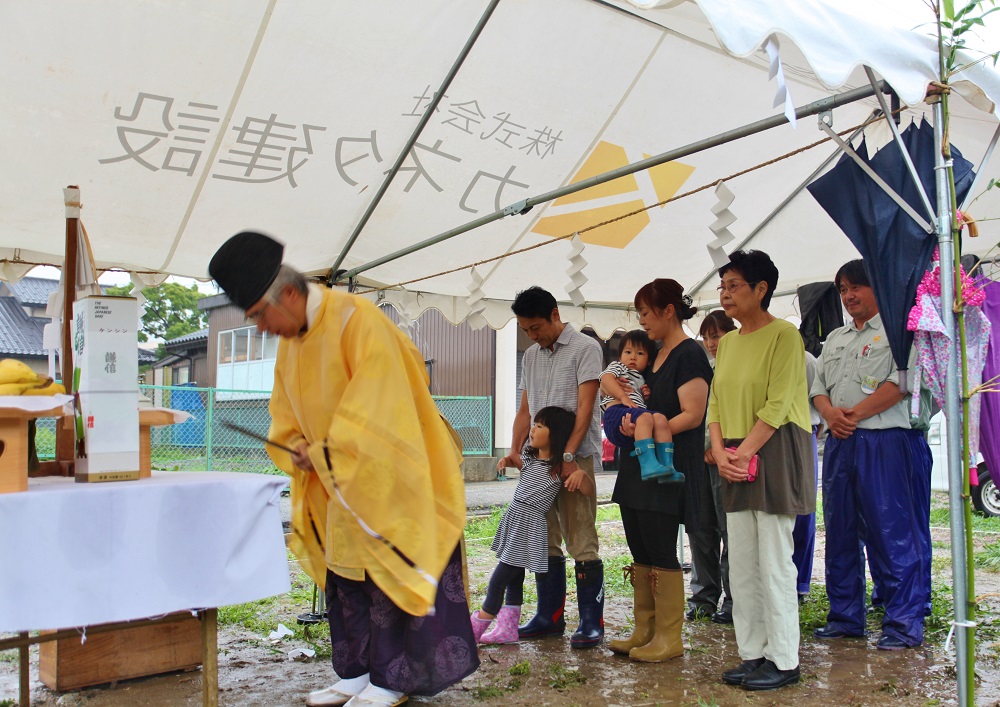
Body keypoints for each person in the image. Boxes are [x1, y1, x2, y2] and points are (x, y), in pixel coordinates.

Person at [208, 232, 479, 707]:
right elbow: (284, 411)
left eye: (258, 316)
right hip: (339, 481)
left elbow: (382, 403)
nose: (261, 329)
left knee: (386, 572)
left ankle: (393, 679)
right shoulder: (293, 337)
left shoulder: (359, 320)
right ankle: (356, 672)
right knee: (347, 577)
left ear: (287, 295)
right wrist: (296, 445)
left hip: (393, 475)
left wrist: (330, 448)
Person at [810, 259, 932, 650]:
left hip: (888, 441)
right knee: (841, 529)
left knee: (892, 532)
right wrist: (830, 414)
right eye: (843, 289)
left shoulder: (900, 330)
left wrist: (853, 416)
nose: (849, 296)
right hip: (842, 443)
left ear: (878, 287)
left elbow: (903, 383)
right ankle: (846, 617)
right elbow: (818, 387)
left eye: (856, 287)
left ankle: (903, 622)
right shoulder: (836, 338)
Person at [708, 250, 815, 691]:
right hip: (734, 452)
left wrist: (743, 453)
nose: (725, 294)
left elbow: (777, 403)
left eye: (734, 286)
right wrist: (719, 450)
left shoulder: (785, 336)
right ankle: (753, 653)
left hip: (772, 450)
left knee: (774, 560)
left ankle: (784, 658)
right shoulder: (728, 342)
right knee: (743, 563)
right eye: (723, 287)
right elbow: (715, 401)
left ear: (760, 290)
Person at [608, 279, 712, 663]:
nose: (643, 322)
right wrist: (631, 423)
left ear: (669, 311)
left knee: (660, 546)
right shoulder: (654, 355)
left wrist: (652, 425)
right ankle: (645, 628)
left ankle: (669, 636)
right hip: (637, 465)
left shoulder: (689, 354)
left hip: (667, 465)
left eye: (647, 314)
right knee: (639, 544)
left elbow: (694, 414)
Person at [497, 286, 605, 649]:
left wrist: (570, 457)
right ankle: (549, 617)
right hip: (538, 463)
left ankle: (592, 622)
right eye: (526, 330)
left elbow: (586, 407)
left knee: (581, 538)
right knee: (544, 539)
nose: (532, 336)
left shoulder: (586, 349)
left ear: (555, 314)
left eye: (536, 327)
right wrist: (515, 449)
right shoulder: (531, 357)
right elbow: (526, 410)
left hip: (575, 459)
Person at [471, 407, 594, 644]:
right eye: (534, 424)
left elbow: (587, 491)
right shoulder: (530, 459)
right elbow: (517, 461)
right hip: (515, 518)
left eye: (540, 426)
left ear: (555, 434)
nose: (533, 430)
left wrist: (583, 477)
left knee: (498, 580)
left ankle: (474, 629)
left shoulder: (559, 468)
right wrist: (506, 459)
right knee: (514, 577)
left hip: (528, 525)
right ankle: (507, 630)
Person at [687, 310, 737, 624]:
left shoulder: (736, 366)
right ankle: (703, 597)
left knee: (731, 530)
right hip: (698, 460)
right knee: (700, 528)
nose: (710, 342)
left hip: (727, 456)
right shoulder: (702, 367)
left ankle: (734, 600)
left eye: (715, 335)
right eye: (706, 336)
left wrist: (715, 447)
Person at [599, 329, 682, 483]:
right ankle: (648, 465)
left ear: (649, 360)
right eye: (628, 352)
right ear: (620, 355)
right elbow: (605, 378)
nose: (633, 357)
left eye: (640, 354)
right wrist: (622, 396)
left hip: (633, 413)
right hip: (616, 411)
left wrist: (645, 396)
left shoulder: (643, 378)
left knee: (660, 419)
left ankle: (667, 467)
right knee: (646, 417)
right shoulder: (619, 367)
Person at [792, 350, 822, 603]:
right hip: (769, 435)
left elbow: (818, 397)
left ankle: (799, 582)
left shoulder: (807, 360)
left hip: (803, 431)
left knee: (803, 510)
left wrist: (816, 426)